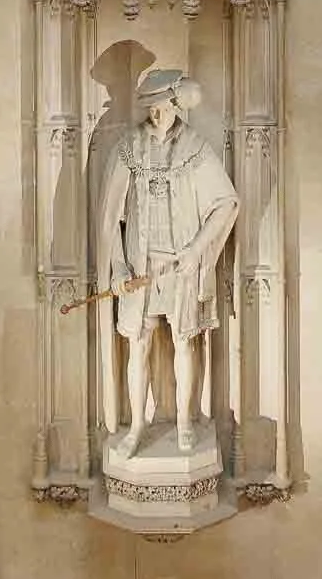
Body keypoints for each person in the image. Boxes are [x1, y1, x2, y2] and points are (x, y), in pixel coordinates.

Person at [99, 67, 239, 457]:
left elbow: (226, 202)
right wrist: (120, 267)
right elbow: (111, 216)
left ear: (175, 103)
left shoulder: (194, 147)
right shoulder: (130, 146)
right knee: (138, 344)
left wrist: (196, 249)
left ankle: (183, 424)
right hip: (140, 266)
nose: (156, 114)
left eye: (161, 106)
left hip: (179, 266)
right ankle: (137, 427)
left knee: (182, 341)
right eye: (150, 107)